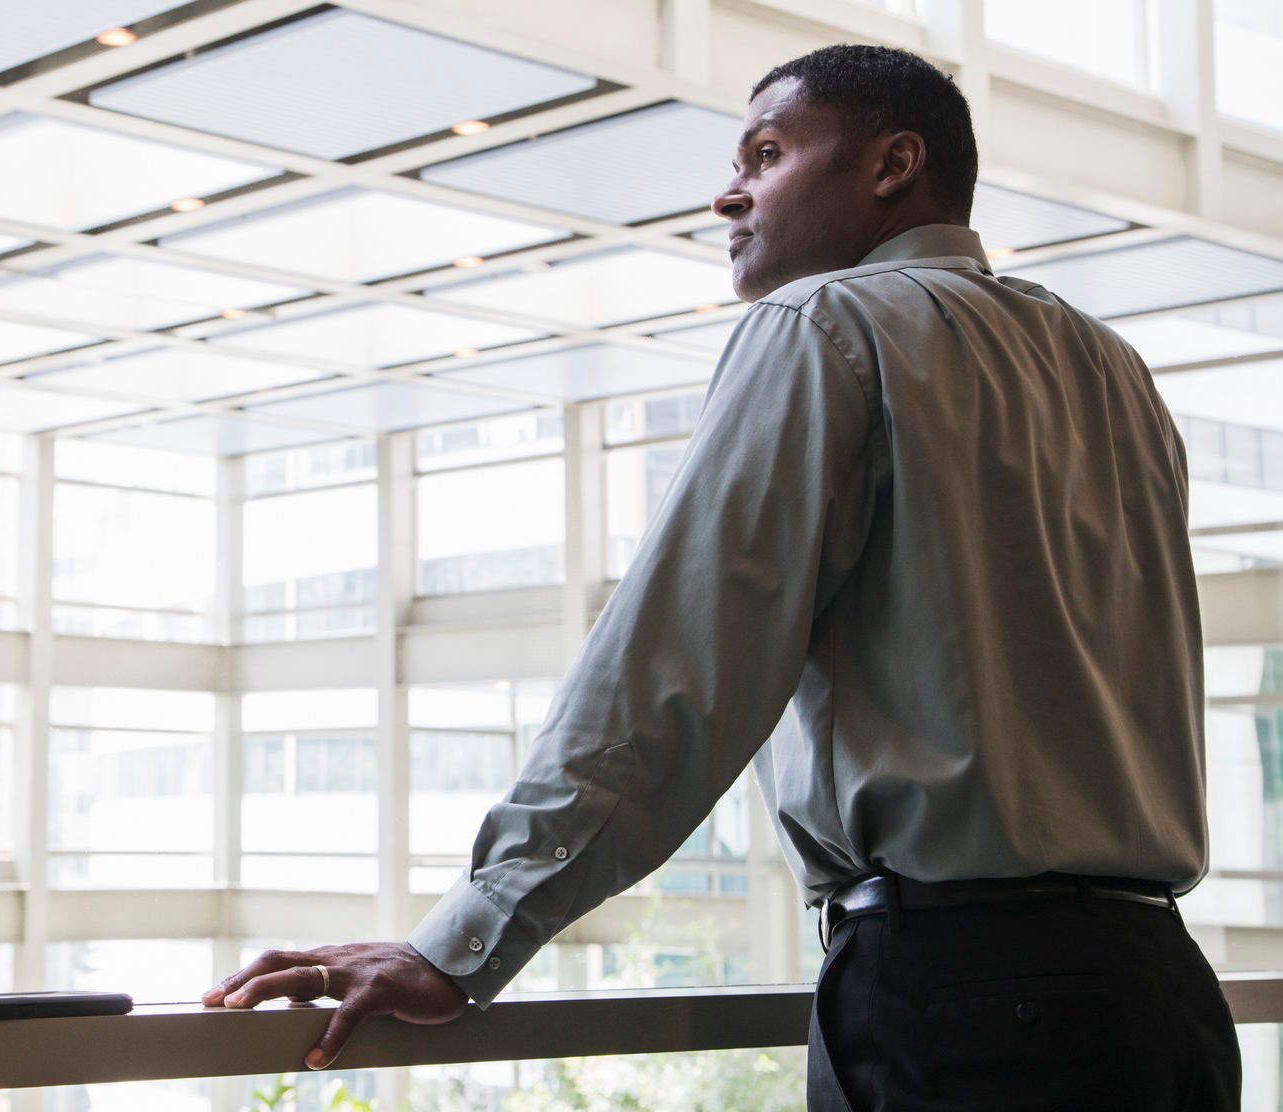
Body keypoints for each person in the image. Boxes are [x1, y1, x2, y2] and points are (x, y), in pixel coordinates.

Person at [203, 44, 1242, 1109]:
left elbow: (671, 674)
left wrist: (466, 938)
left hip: (966, 1006)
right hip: (1160, 995)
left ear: (892, 165)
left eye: (766, 152)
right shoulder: (1108, 364)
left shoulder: (822, 326)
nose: (724, 192)